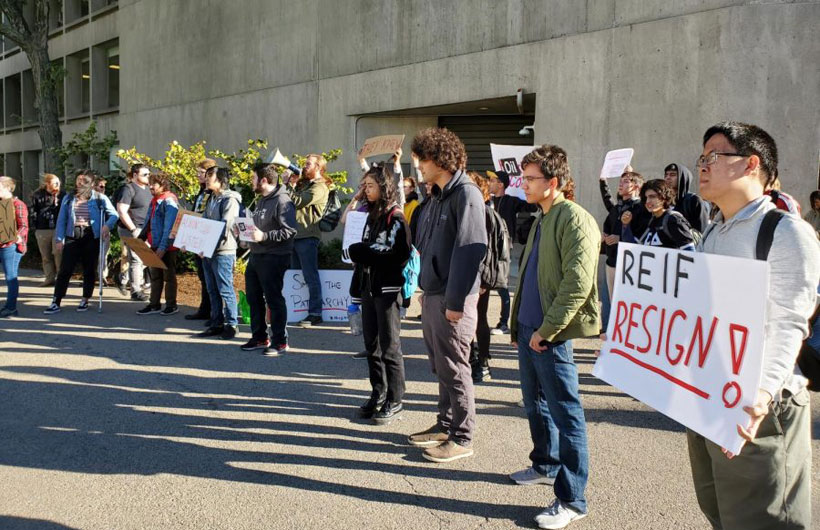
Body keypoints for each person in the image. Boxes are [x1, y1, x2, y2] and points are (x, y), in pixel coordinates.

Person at [688, 122, 818, 530]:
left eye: (714, 156)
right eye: (702, 158)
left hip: (760, 407)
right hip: (713, 397)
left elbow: (790, 323)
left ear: (751, 164)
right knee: (720, 509)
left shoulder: (785, 232)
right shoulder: (713, 232)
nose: (703, 166)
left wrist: (760, 393)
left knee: (762, 519)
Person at [509, 145, 600, 529]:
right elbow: (529, 276)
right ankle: (545, 464)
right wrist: (518, 326)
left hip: (551, 335)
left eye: (530, 179)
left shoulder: (574, 220)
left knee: (566, 413)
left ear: (555, 182)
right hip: (530, 331)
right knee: (536, 406)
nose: (523, 184)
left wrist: (547, 330)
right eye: (523, 177)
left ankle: (572, 499)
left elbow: (576, 285)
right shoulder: (543, 217)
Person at [406, 127, 487, 463]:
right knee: (441, 365)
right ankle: (445, 425)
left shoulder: (466, 194)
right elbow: (423, 244)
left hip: (454, 299)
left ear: (439, 159)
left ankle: (462, 436)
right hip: (435, 294)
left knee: (455, 367)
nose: (419, 166)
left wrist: (455, 303)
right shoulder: (437, 197)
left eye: (422, 159)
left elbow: (470, 251)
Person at [348, 163, 411, 424]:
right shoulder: (370, 214)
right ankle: (378, 392)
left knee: (390, 347)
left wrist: (366, 253)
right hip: (368, 287)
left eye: (370, 186)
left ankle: (395, 399)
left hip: (387, 290)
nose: (366, 190)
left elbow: (400, 254)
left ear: (384, 188)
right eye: (364, 185)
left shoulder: (395, 216)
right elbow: (362, 250)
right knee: (371, 346)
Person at [237, 163, 297, 355]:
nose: (251, 182)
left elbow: (289, 231)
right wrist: (244, 236)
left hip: (274, 256)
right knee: (254, 298)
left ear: (264, 180)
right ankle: (260, 337)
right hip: (257, 255)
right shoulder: (262, 200)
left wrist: (264, 237)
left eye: (253, 178)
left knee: (273, 299)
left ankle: (280, 341)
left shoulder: (282, 200)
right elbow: (257, 228)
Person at [44, 170, 118, 315]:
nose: (80, 183)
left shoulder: (99, 198)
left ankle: (85, 299)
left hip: (91, 235)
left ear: (90, 182)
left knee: (89, 269)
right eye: (78, 180)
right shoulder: (69, 198)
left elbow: (114, 214)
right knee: (65, 269)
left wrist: (106, 226)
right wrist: (59, 239)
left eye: (83, 180)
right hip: (73, 235)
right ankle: (56, 300)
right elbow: (62, 220)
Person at [468, 171, 509, 383]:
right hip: (467, 275)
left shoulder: (483, 213)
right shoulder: (470, 209)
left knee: (479, 319)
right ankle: (472, 358)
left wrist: (483, 280)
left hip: (479, 277)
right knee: (468, 320)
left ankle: (482, 362)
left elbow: (487, 249)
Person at [486, 169, 536, 335]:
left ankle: (504, 323)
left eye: (492, 180)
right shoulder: (487, 201)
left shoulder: (511, 201)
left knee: (502, 286)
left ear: (500, 184)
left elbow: (533, 205)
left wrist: (527, 186)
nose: (489, 183)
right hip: (487, 247)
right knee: (483, 285)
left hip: (503, 249)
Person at [198, 167, 242, 340]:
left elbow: (225, 225)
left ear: (221, 180)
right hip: (208, 250)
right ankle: (216, 322)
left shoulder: (230, 200)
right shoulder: (212, 198)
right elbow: (205, 223)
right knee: (211, 288)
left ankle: (232, 324)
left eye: (210, 176)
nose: (206, 179)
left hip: (223, 250)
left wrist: (207, 246)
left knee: (225, 288)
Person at [288, 154, 330, 327]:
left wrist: (289, 185)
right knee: (296, 276)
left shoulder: (320, 187)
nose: (304, 167)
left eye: (308, 164)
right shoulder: (307, 185)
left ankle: (315, 313)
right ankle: (295, 309)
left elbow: (297, 201)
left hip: (307, 237)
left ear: (318, 167)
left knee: (310, 276)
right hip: (297, 236)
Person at [600, 169, 648, 301]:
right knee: (613, 303)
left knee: (627, 303)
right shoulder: (618, 208)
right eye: (620, 181)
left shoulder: (641, 208)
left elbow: (641, 237)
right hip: (611, 262)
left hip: (629, 266)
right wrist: (605, 236)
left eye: (626, 182)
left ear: (637, 187)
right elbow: (608, 205)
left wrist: (619, 239)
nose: (620, 184)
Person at [136, 173, 179, 316]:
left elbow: (169, 227)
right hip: (154, 243)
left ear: (162, 185)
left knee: (169, 276)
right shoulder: (155, 200)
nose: (150, 187)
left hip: (167, 246)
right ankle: (154, 304)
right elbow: (149, 221)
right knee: (155, 275)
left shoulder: (169, 201)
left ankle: (171, 305)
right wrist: (142, 237)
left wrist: (163, 247)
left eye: (153, 184)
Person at [621, 179, 695, 250]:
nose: (648, 201)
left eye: (652, 197)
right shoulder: (652, 220)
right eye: (646, 198)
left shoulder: (673, 219)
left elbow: (689, 253)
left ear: (664, 198)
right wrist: (625, 225)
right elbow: (633, 249)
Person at [185, 158, 216, 321]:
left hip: (207, 237)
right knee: (203, 276)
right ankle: (204, 309)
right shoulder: (201, 192)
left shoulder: (214, 193)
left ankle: (214, 311)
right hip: (197, 236)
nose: (197, 175)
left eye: (201, 173)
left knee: (210, 277)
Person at [117, 163, 152, 301]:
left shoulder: (148, 188)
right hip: (131, 229)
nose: (148, 177)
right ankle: (136, 291)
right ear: (135, 175)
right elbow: (121, 210)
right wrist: (133, 229)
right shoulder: (128, 189)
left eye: (149, 174)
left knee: (147, 259)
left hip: (145, 228)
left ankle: (123, 277)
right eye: (145, 174)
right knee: (137, 259)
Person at [0, 176, 28, 317]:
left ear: (7, 188)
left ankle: (11, 307)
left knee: (10, 276)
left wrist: (17, 236)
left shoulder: (18, 204)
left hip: (10, 246)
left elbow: (23, 226)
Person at [29, 173, 64, 287]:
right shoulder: (38, 195)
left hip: (58, 228)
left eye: (59, 182)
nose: (58, 185)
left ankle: (61, 278)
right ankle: (49, 278)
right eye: (55, 183)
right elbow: (33, 211)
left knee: (58, 253)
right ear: (48, 184)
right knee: (45, 256)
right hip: (43, 228)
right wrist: (34, 226)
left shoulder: (62, 195)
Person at [663, 162, 710, 234]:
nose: (668, 178)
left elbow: (701, 231)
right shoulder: (663, 200)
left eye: (673, 175)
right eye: (666, 175)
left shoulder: (693, 200)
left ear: (683, 178)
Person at [93, 175, 111, 284]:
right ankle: (91, 275)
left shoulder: (106, 199)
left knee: (103, 255)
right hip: (92, 231)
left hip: (104, 230)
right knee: (92, 255)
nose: (102, 188)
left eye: (103, 187)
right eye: (100, 186)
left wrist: (107, 227)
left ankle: (102, 276)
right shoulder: (91, 200)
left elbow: (112, 215)